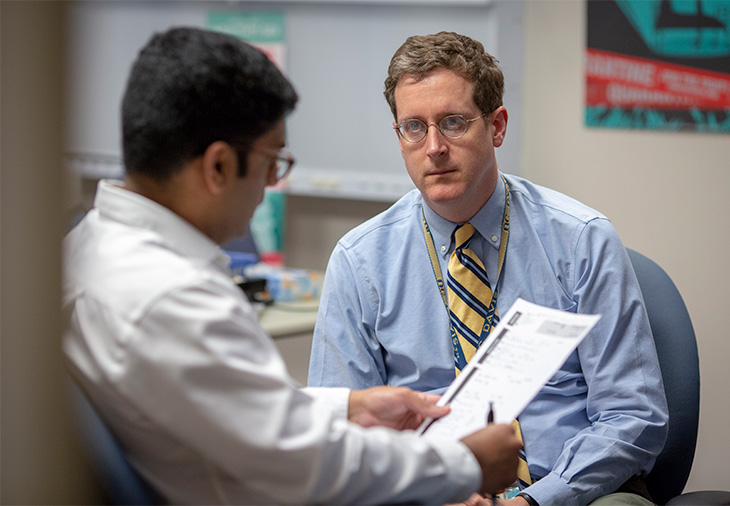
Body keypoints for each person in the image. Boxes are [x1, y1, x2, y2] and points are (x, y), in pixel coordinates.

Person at [62, 27, 523, 505]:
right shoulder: (175, 298)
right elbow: (310, 468)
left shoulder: (88, 247)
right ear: (218, 167)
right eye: (272, 164)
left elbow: (237, 409)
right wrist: (465, 464)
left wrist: (349, 406)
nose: (268, 186)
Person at [308, 31, 669, 506]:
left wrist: (534, 502)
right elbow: (338, 435)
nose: (433, 146)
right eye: (413, 127)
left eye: (453, 122)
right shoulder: (360, 262)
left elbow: (632, 415)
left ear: (496, 126)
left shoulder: (580, 238)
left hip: (568, 492)